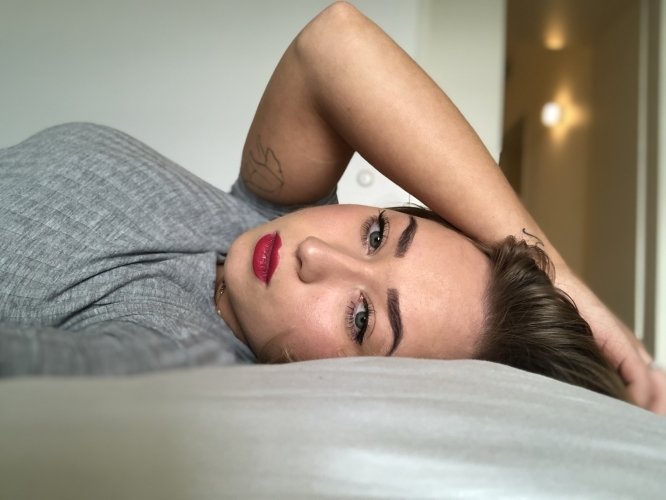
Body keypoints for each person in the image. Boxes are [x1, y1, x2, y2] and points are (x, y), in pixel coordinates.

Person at [1, 2, 663, 412]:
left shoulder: (183, 357)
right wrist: (563, 282)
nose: (316, 254)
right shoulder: (258, 218)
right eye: (377, 234)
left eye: (360, 318)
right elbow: (333, 44)